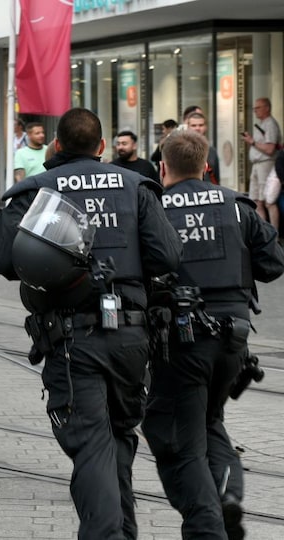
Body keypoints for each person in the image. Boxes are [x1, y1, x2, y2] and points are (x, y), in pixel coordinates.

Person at [0, 108, 182, 539]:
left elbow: (2, 259)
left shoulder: (34, 190)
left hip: (75, 338)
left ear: (56, 146)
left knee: (93, 445)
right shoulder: (136, 186)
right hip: (133, 337)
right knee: (118, 439)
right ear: (101, 147)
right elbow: (168, 257)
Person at [144, 129, 284, 540]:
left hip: (180, 342)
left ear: (163, 166)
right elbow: (273, 265)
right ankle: (226, 496)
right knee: (209, 420)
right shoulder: (237, 206)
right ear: (206, 167)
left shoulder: (154, 207)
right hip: (234, 340)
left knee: (173, 435)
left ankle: (208, 526)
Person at [242, 97, 281, 226]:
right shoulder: (262, 123)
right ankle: (263, 233)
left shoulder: (270, 124)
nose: (255, 111)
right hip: (257, 165)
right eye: (254, 108)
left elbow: (270, 149)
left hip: (266, 164)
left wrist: (253, 142)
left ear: (267, 108)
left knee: (268, 200)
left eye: (258, 108)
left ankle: (273, 234)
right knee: (257, 200)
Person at [186, 112, 221, 185]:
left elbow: (216, 177)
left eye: (201, 125)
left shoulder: (211, 151)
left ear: (205, 127)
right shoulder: (180, 150)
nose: (197, 128)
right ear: (188, 127)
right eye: (193, 125)